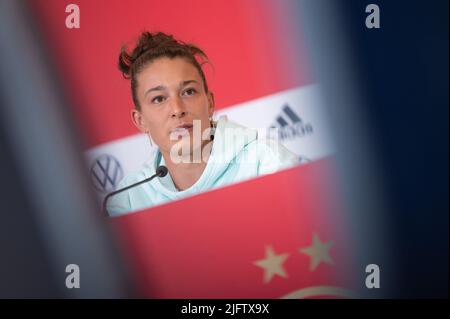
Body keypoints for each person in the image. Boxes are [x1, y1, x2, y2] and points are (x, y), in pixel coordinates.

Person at [107, 31, 299, 216]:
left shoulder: (266, 163)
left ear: (210, 103)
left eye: (188, 92)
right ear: (140, 121)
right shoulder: (128, 200)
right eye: (158, 99)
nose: (177, 109)